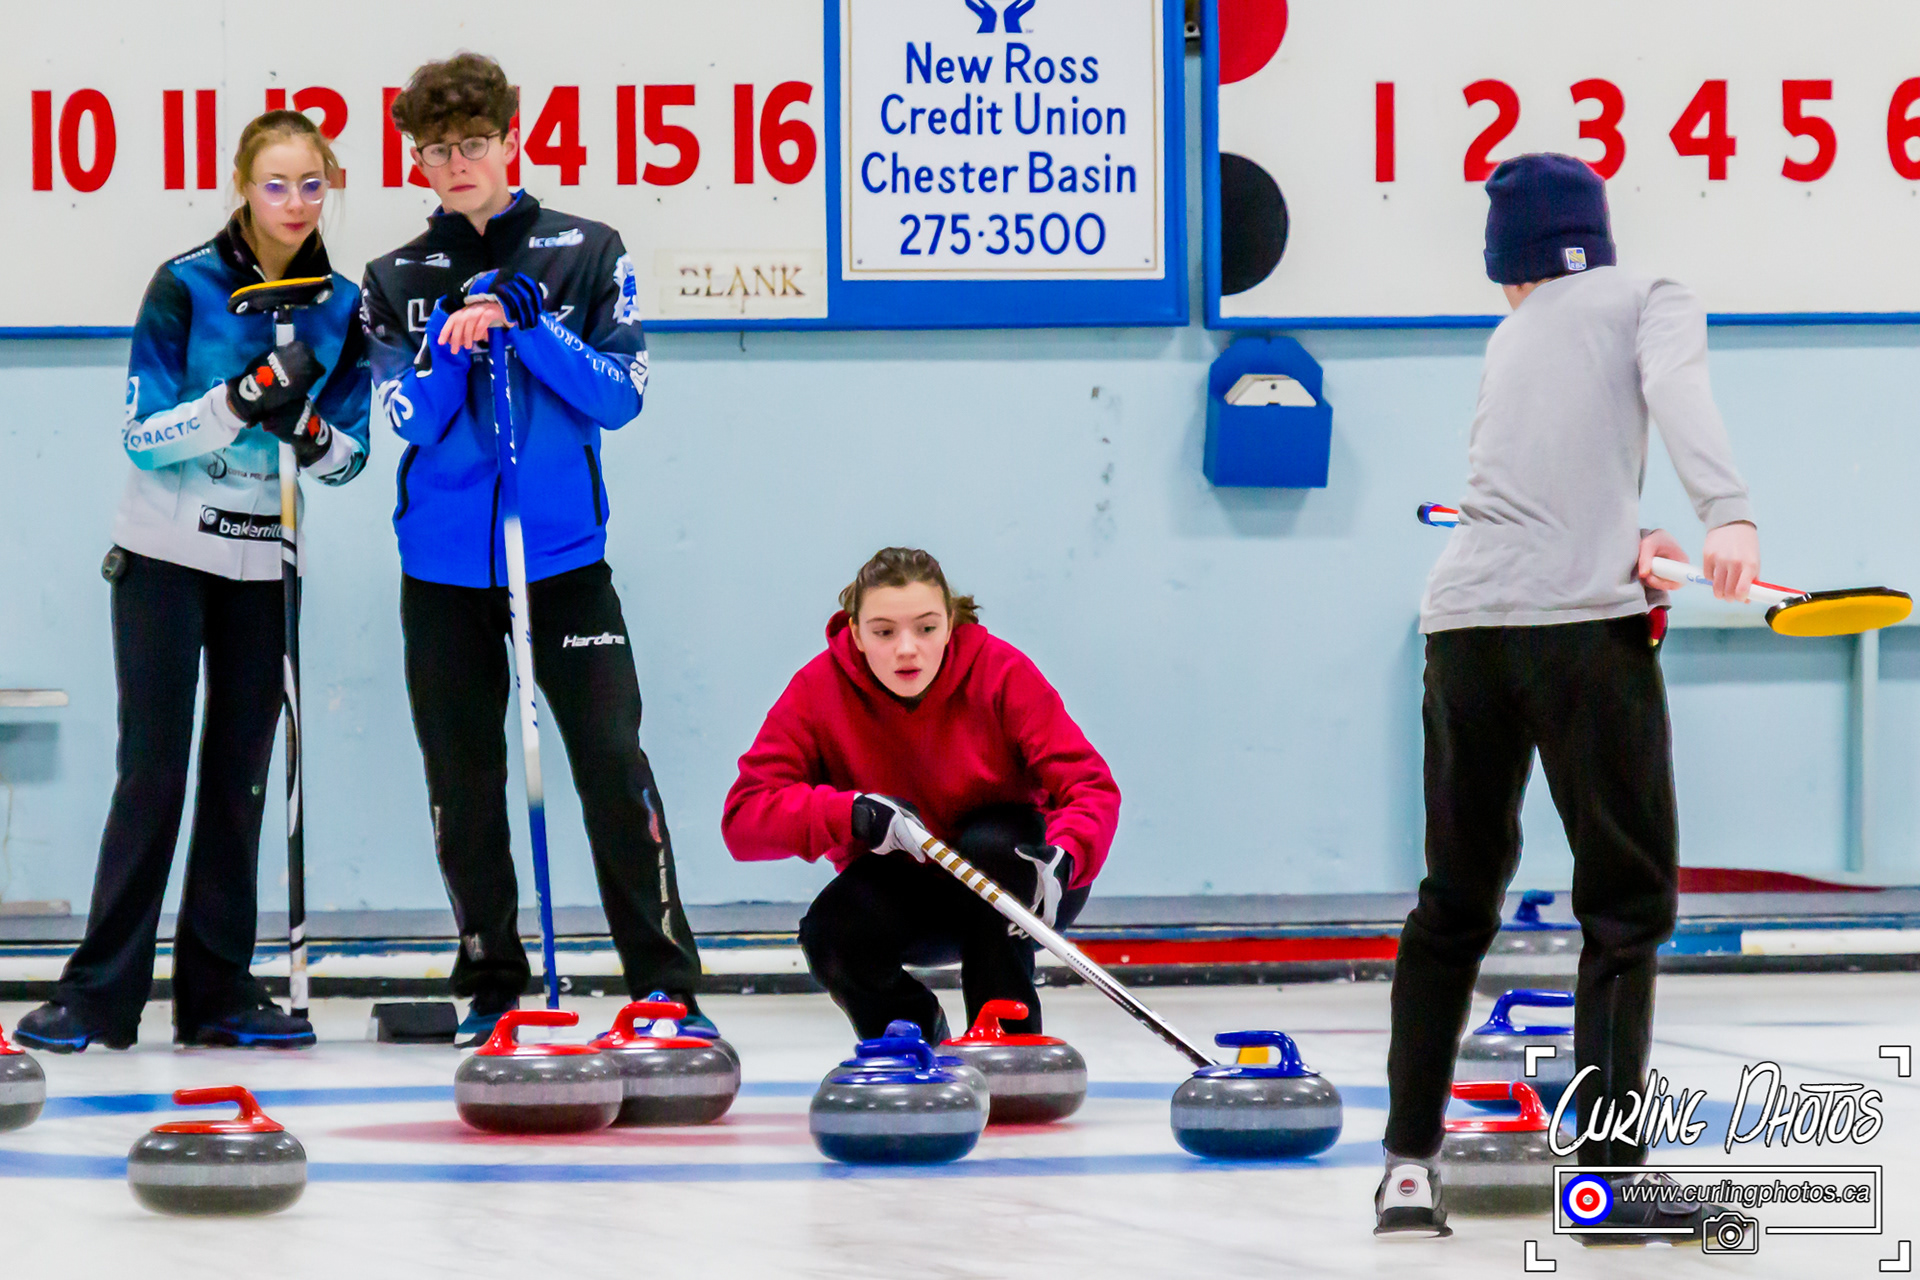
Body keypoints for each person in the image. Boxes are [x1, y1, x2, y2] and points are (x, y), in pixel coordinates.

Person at [1374, 153, 1757, 1242]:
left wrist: (1630, 536)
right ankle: (1607, 1180)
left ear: (1509, 264)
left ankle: (1407, 1169)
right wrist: (1729, 510)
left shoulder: (1511, 337)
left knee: (1452, 903)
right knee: (1625, 911)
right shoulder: (1649, 295)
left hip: (1463, 633)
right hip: (1579, 640)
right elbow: (1676, 394)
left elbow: (1539, 495)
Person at [361, 52, 705, 1044]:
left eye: (472, 142)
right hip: (444, 571)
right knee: (463, 780)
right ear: (418, 161)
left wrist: (532, 324)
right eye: (435, 149)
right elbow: (407, 419)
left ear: (512, 138)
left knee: (608, 757)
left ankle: (665, 981)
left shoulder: (586, 249)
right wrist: (447, 352)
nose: (455, 162)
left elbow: (622, 394)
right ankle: (491, 979)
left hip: (562, 562)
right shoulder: (396, 276)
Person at [15, 111, 369, 1052]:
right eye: (275, 186)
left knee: (239, 778)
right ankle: (99, 995)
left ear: (330, 185)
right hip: (166, 559)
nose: (294, 204)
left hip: (266, 565)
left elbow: (351, 459)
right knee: (155, 772)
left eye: (311, 186)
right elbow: (141, 432)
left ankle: (216, 995)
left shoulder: (341, 306)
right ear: (244, 187)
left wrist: (311, 433)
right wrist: (239, 401)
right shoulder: (185, 286)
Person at [722, 547, 1121, 1042]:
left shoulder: (1002, 672)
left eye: (926, 628)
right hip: (914, 891)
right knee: (830, 932)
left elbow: (1090, 786)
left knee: (992, 847)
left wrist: (1068, 857)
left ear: (951, 625)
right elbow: (744, 818)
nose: (906, 649)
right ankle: (910, 1032)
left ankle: (1008, 1035)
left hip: (1025, 887)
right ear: (856, 634)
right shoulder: (816, 691)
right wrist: (849, 813)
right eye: (884, 632)